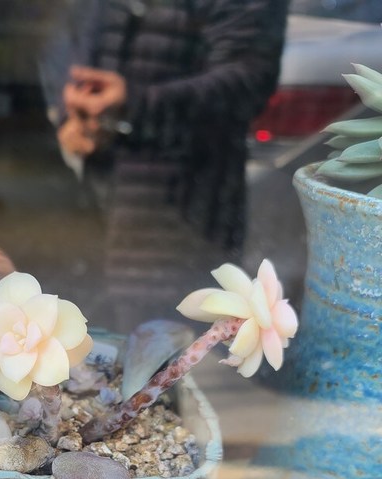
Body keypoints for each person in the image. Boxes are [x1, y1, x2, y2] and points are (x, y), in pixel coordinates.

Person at [40, 0, 289, 325]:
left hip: (182, 214)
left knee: (173, 338)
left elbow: (248, 79)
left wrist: (135, 105)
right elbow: (69, 35)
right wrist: (70, 112)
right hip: (96, 208)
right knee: (94, 336)